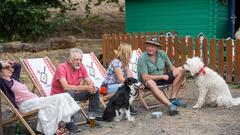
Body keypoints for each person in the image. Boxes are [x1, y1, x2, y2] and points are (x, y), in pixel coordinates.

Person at [0, 60, 80, 135]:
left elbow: (18, 65)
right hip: (26, 105)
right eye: (6, 68)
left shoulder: (14, 78)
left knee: (64, 97)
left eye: (10, 68)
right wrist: (3, 64)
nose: (10, 69)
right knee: (59, 98)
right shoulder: (3, 82)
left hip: (36, 101)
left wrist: (9, 63)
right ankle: (57, 127)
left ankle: (55, 128)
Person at [137, 36, 186, 116]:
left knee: (181, 70)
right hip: (148, 81)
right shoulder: (143, 58)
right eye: (148, 46)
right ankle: (170, 105)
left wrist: (182, 78)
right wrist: (161, 77)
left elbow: (171, 67)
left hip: (162, 78)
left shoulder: (162, 54)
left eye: (152, 46)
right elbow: (144, 77)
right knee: (150, 82)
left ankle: (173, 99)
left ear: (157, 47)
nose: (150, 48)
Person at [51, 48, 101, 118]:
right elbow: (66, 87)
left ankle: (92, 117)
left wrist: (92, 87)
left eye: (80, 60)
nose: (79, 62)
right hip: (60, 96)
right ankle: (70, 121)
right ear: (70, 60)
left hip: (74, 94)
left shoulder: (81, 66)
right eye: (76, 59)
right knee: (69, 92)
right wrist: (86, 87)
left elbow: (89, 81)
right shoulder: (61, 67)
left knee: (95, 90)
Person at [101, 43, 137, 114]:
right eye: (130, 51)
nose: (131, 53)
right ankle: (127, 105)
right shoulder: (116, 62)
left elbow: (130, 78)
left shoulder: (124, 63)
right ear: (126, 53)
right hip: (106, 88)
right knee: (127, 87)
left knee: (128, 86)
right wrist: (132, 85)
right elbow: (121, 79)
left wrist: (127, 68)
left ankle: (125, 105)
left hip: (116, 86)